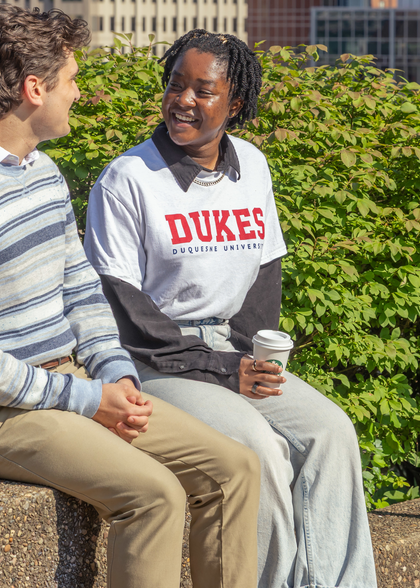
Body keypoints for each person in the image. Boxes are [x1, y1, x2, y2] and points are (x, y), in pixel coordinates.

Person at [0, 6, 260, 588]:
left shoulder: (41, 173)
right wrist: (88, 401)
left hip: (70, 382)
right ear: (33, 89)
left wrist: (116, 375)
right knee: (153, 494)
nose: (79, 92)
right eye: (70, 79)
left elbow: (81, 289)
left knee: (236, 468)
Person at [84, 29, 378, 588]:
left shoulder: (254, 167)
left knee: (332, 433)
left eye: (203, 89)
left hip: (234, 351)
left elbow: (265, 273)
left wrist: (246, 357)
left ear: (234, 102)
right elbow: (121, 305)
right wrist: (218, 369)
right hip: (158, 362)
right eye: (176, 85)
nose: (184, 101)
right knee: (257, 449)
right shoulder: (128, 179)